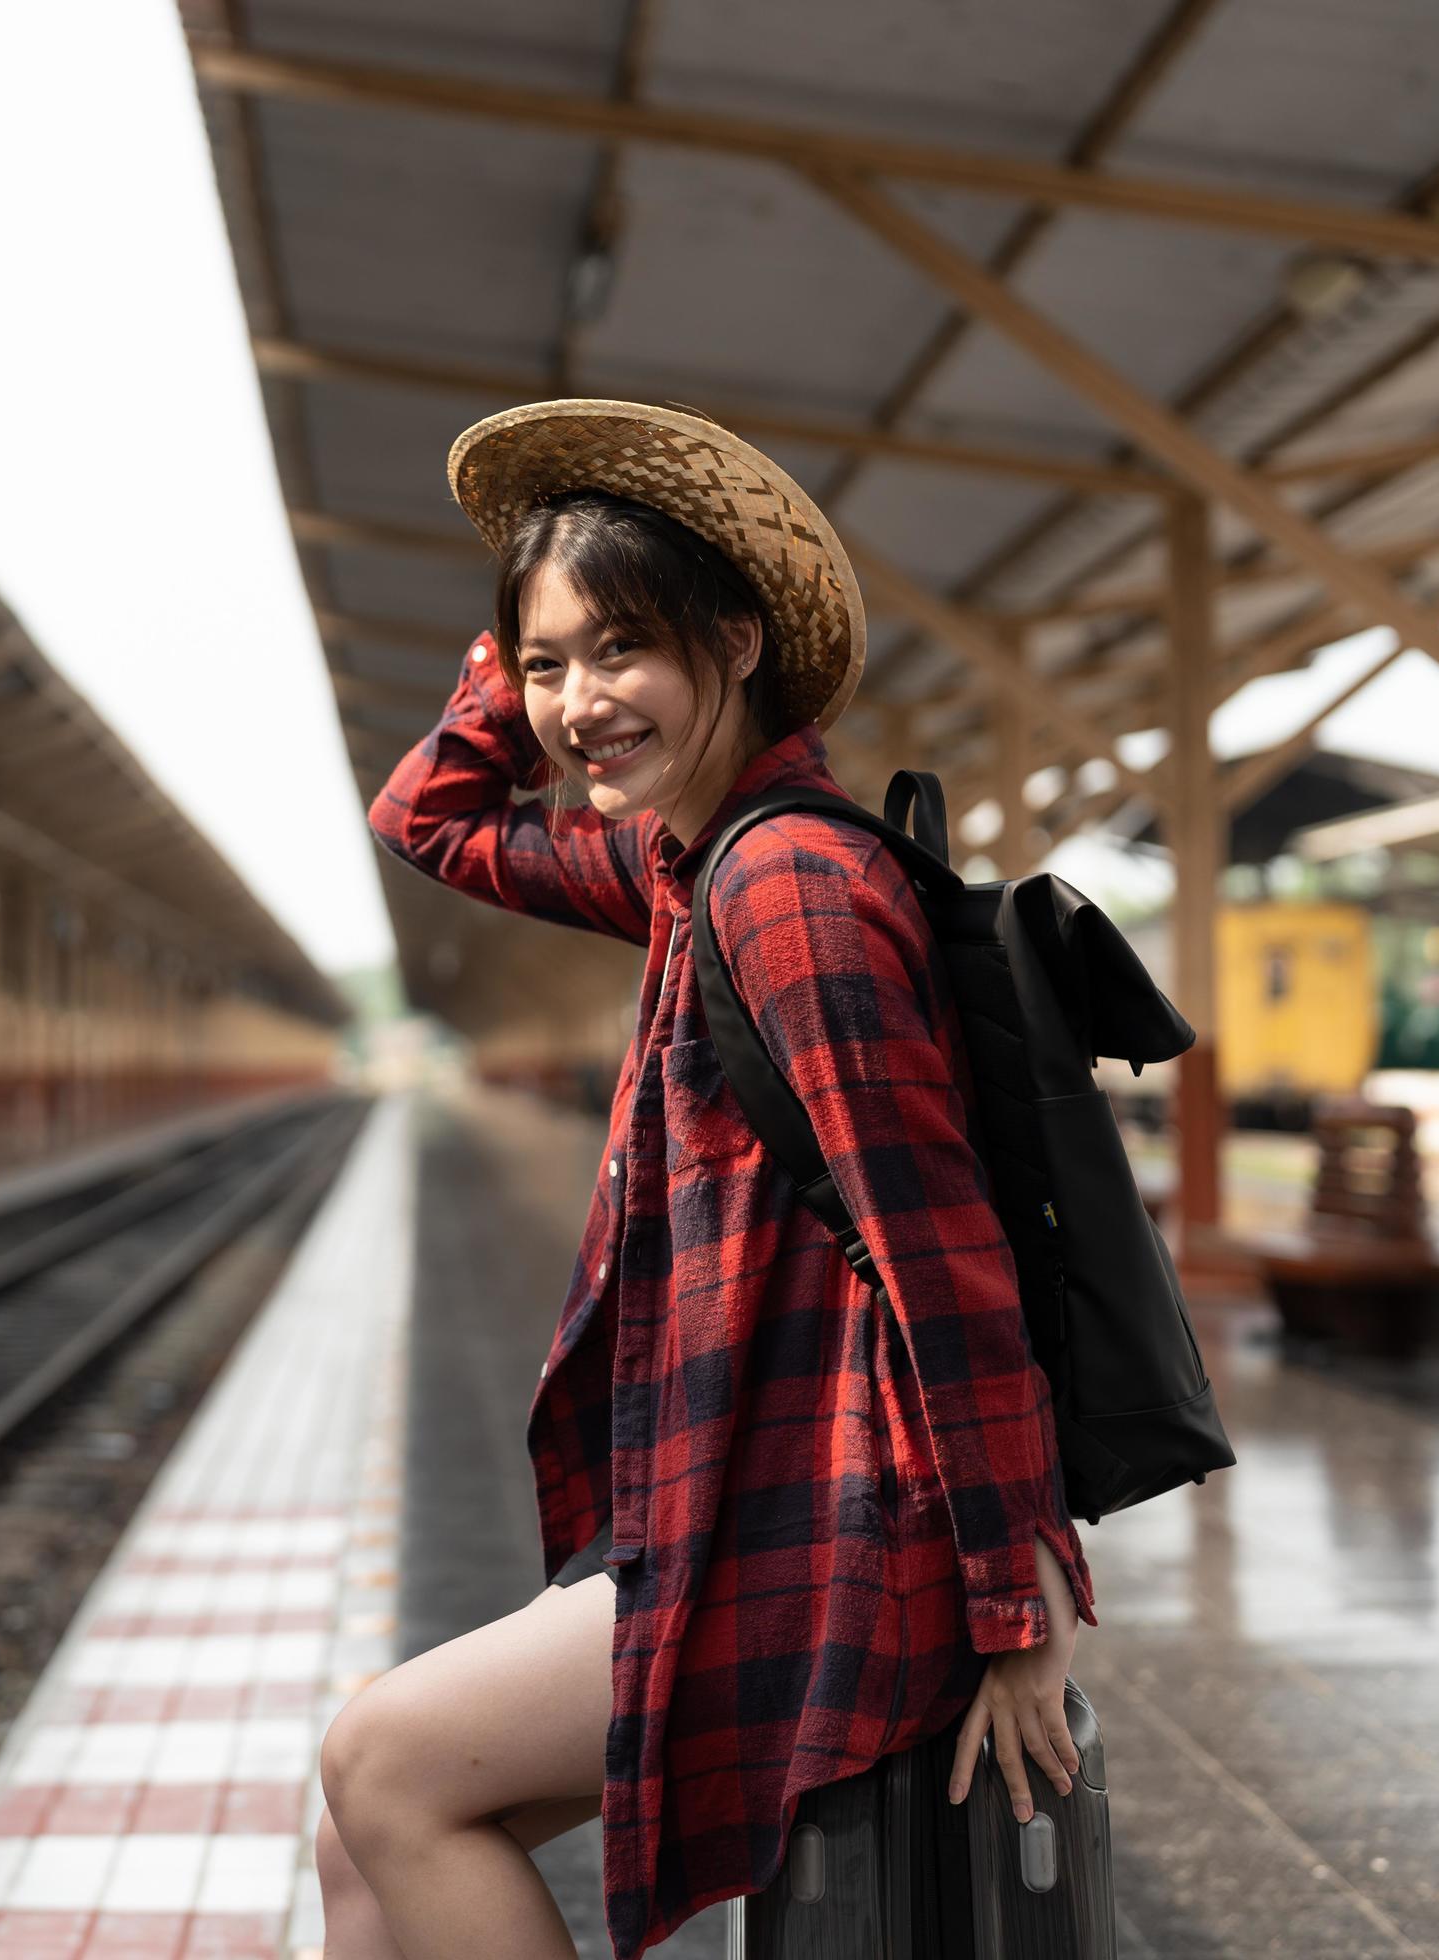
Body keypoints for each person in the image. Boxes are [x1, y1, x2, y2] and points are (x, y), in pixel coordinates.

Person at [326, 401, 1096, 1959]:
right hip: (747, 1490)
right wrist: (519, 625)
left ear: (735, 641)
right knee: (363, 1843)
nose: (580, 702)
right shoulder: (686, 862)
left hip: (837, 1529)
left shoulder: (788, 887)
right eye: (549, 664)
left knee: (380, 1766)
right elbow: (430, 819)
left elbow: (941, 1258)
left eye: (625, 651)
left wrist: (1016, 1613)